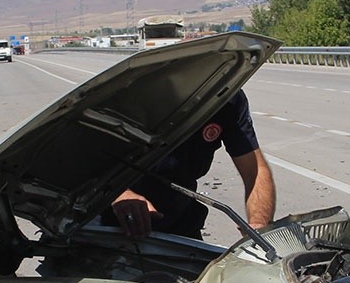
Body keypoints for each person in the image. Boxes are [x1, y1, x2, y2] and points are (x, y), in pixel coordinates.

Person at [108, 89, 275, 240]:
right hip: (111, 224)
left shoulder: (226, 96)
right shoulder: (129, 90)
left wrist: (259, 223)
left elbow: (255, 170)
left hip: (182, 224)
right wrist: (119, 193)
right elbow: (87, 155)